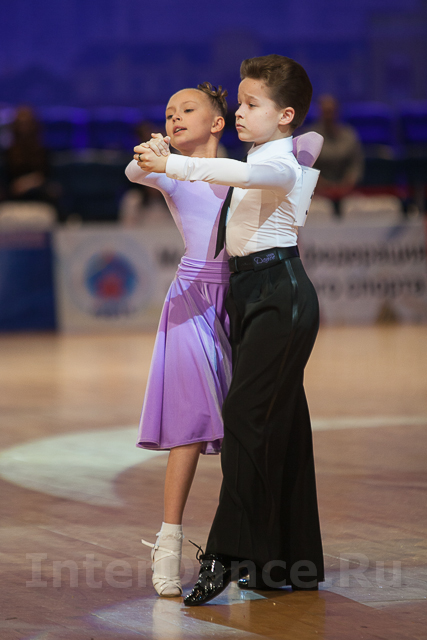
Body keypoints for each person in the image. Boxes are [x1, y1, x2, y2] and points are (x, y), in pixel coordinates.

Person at [134, 54, 325, 606]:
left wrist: (176, 164)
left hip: (280, 294)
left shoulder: (277, 163)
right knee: (282, 427)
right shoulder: (271, 153)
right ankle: (282, 562)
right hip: (248, 295)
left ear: (284, 114)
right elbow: (289, 149)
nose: (240, 112)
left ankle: (223, 553)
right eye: (239, 102)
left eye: (251, 104)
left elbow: (244, 175)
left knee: (243, 418)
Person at [125, 83, 231, 598]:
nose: (175, 118)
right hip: (191, 301)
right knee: (190, 424)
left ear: (218, 122)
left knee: (244, 427)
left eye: (188, 109)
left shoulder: (243, 172)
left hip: (240, 301)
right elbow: (135, 172)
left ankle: (241, 543)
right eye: (169, 113)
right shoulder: (172, 172)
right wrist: (152, 155)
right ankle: (168, 543)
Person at [310, 94, 364, 215]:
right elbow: (308, 169)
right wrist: (325, 187)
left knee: (358, 209)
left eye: (331, 112)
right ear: (320, 113)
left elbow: (355, 167)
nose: (328, 116)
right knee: (317, 211)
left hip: (347, 191)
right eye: (325, 112)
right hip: (318, 193)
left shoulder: (349, 136)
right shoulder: (310, 137)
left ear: (337, 112)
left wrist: (345, 186)